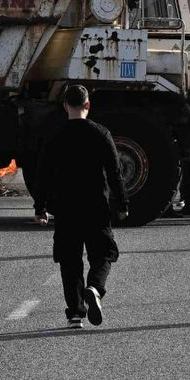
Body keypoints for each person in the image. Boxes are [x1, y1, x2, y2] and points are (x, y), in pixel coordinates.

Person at [42, 85, 127, 328]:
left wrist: (40, 206)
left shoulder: (55, 136)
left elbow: (43, 174)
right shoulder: (101, 133)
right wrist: (122, 203)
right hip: (96, 206)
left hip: (66, 208)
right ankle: (95, 288)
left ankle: (75, 313)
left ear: (65, 106)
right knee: (103, 254)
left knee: (69, 261)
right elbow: (115, 171)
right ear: (88, 105)